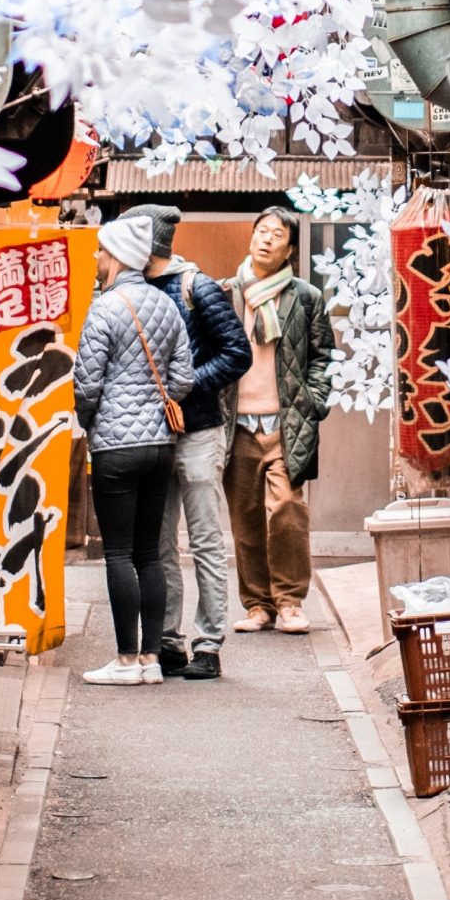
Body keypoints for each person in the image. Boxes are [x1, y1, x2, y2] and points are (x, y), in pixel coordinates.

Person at [71, 212, 193, 687]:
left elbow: (87, 382)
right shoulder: (165, 306)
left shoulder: (105, 308)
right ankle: (150, 659)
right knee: (149, 552)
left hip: (116, 448)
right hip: (160, 446)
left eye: (102, 251)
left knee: (119, 553)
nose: (98, 258)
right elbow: (182, 378)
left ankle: (123, 660)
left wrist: (91, 420)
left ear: (117, 255)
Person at [144, 204, 252, 681]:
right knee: (161, 542)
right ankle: (168, 641)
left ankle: (209, 642)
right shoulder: (130, 289)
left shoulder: (198, 286)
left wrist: (187, 384)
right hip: (152, 431)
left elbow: (237, 352)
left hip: (200, 430)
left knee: (206, 539)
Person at [222, 206, 336, 635]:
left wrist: (314, 400)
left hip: (287, 422)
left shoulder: (305, 297)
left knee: (288, 510)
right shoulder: (227, 293)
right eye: (261, 231)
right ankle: (257, 605)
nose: (266, 239)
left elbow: (323, 356)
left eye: (277, 234)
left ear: (289, 248)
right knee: (245, 515)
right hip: (237, 424)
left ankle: (289, 602)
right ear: (251, 237)